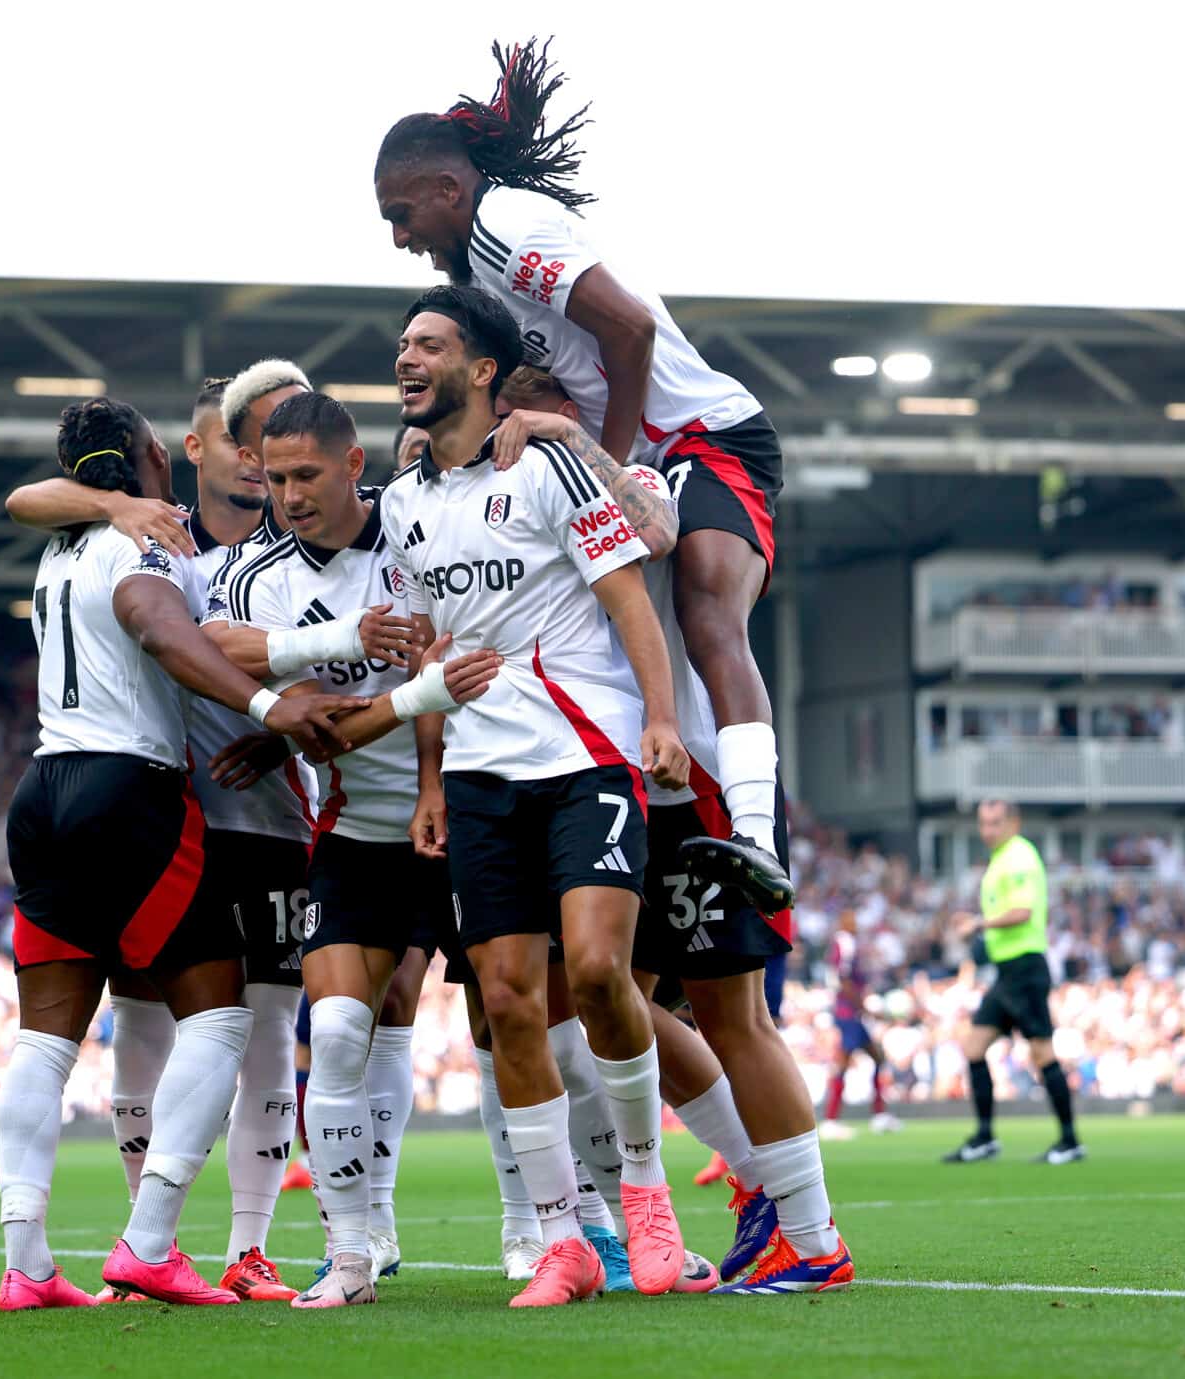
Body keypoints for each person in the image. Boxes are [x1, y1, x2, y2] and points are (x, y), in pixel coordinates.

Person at [374, 38, 795, 918]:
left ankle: (755, 832)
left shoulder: (504, 226)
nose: (399, 237)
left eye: (402, 214)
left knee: (706, 610)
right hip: (636, 452)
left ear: (449, 190)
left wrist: (614, 458)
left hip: (702, 434)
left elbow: (630, 330)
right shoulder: (478, 269)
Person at [0, 395, 363, 1311]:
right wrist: (271, 707)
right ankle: (150, 1242)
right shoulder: (144, 540)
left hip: (42, 790)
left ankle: (26, 1265)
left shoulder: (61, 544)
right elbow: (160, 627)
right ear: (155, 455)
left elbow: (25, 502)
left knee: (45, 1038)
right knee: (222, 1017)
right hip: (130, 791)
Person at [490, 374, 850, 1293]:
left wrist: (569, 437)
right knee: (596, 997)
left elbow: (654, 527)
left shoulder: (633, 474)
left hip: (687, 774)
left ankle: (814, 1239)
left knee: (733, 1014)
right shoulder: (495, 504)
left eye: (534, 399)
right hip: (592, 780)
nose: (511, 418)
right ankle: (754, 1183)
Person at [381, 282, 693, 1307]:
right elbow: (429, 653)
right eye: (403, 344)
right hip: (478, 773)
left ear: (481, 370)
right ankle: (563, 1238)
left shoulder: (547, 466)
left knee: (598, 971)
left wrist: (659, 719)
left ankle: (645, 1193)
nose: (406, 358)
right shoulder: (401, 503)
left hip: (584, 751)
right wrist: (430, 777)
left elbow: (627, 599)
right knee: (506, 999)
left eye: (429, 344)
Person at [204, 388, 504, 1305]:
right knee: (336, 1028)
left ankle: (541, 1230)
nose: (289, 495)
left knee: (508, 1022)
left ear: (352, 466)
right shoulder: (259, 575)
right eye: (275, 478)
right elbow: (243, 665)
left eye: (305, 476)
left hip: (469, 813)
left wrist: (428, 778)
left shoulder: (413, 537)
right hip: (354, 830)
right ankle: (352, 1249)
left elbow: (444, 665)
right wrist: (325, 669)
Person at [944, 799, 1082, 1166]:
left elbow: (1022, 912)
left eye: (995, 822)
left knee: (1042, 1053)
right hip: (1006, 972)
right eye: (983, 823)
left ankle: (1070, 1140)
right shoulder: (1001, 860)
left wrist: (978, 924)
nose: (987, 830)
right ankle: (985, 1137)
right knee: (974, 1047)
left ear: (1013, 823)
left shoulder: (1019, 856)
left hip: (1025, 969)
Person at [821, 911, 900, 1141]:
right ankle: (831, 1121)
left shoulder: (845, 942)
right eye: (852, 920)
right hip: (848, 1013)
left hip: (850, 1012)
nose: (856, 924)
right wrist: (863, 1008)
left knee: (877, 1058)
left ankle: (880, 1115)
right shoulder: (845, 942)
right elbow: (843, 979)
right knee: (843, 1063)